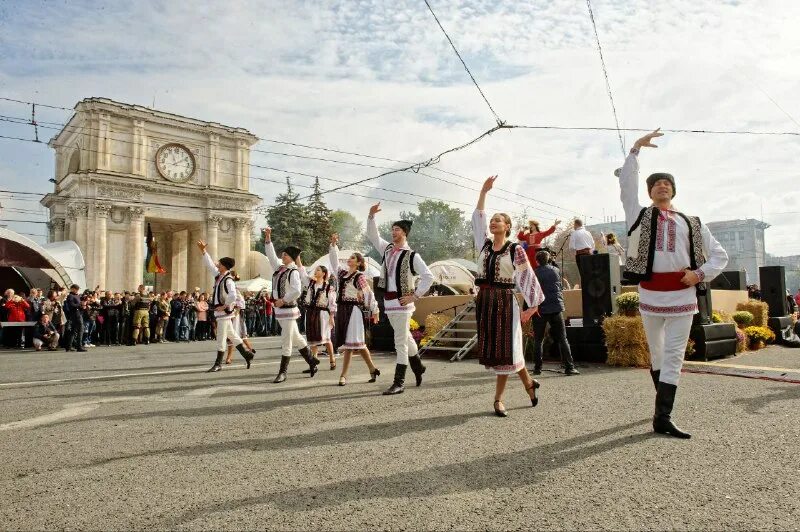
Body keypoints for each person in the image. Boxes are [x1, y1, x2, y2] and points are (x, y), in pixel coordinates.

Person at [618, 128, 727, 439]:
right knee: (657, 352)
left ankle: (662, 417)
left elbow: (720, 255)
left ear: (673, 191)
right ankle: (661, 408)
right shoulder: (637, 214)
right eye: (656, 184)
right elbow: (626, 186)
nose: (661, 186)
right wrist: (635, 149)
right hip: (651, 294)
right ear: (650, 192)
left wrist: (699, 274)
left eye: (666, 183)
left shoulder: (692, 222)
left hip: (683, 295)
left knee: (675, 355)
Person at [473, 176, 544, 417]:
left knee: (506, 351)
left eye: (498, 220)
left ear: (507, 227)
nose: (493, 222)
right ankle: (529, 384)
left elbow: (527, 278)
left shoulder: (515, 250)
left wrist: (531, 306)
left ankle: (498, 400)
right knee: (506, 352)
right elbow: (478, 218)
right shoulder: (483, 246)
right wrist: (483, 191)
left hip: (504, 302)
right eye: (492, 220)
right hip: (485, 302)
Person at [366, 203, 434, 395]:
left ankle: (399, 381)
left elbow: (429, 276)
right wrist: (371, 217)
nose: (393, 232)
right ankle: (418, 367)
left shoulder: (412, 255)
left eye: (396, 229)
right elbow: (373, 236)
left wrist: (415, 295)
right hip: (389, 303)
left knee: (400, 342)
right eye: (392, 229)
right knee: (405, 337)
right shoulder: (387, 250)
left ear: (404, 233)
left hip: (403, 304)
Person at [262, 227, 319, 382]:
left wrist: (283, 300)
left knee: (286, 340)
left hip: (287, 309)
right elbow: (271, 256)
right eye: (283, 254)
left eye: (285, 255)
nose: (282, 256)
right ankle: (312, 361)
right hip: (280, 310)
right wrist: (268, 239)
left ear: (292, 258)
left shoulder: (293, 272)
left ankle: (283, 372)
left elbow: (296, 291)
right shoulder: (280, 269)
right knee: (297, 337)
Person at [330, 234, 381, 386]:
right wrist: (333, 246)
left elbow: (368, 293)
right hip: (343, 311)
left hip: (353, 311)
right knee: (354, 344)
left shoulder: (359, 276)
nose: (349, 259)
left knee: (352, 345)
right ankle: (372, 368)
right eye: (350, 257)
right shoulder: (342, 274)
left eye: (353, 258)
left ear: (358, 263)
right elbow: (334, 263)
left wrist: (375, 309)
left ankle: (343, 375)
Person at [197, 240, 255, 372]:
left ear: (224, 266)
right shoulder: (220, 276)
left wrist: (224, 306)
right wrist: (203, 251)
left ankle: (218, 363)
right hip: (222, 313)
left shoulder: (228, 280)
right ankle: (247, 354)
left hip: (224, 313)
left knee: (221, 338)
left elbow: (233, 295)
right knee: (233, 336)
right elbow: (210, 265)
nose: (217, 264)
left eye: (220, 263)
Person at [531, 250, 579, 376]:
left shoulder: (534, 273)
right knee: (562, 338)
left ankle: (537, 368)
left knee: (538, 340)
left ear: (536, 261)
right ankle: (569, 367)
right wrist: (551, 261)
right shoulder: (555, 270)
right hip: (556, 307)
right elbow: (555, 270)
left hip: (540, 309)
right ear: (549, 260)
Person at [298, 258, 338, 371]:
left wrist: (331, 317)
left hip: (322, 315)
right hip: (310, 313)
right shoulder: (311, 283)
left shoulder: (329, 288)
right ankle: (313, 364)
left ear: (324, 273)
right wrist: (298, 259)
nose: (316, 272)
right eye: (316, 270)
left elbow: (332, 304)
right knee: (312, 340)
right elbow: (302, 272)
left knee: (326, 339)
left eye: (319, 270)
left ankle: (332, 359)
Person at [63, 284, 86, 352]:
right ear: (72, 289)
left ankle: (69, 346)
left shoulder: (77, 296)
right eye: (76, 289)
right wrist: (80, 304)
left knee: (73, 331)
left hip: (78, 314)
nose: (77, 290)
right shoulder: (70, 296)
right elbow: (71, 305)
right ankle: (79, 346)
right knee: (80, 330)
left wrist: (82, 306)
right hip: (75, 315)